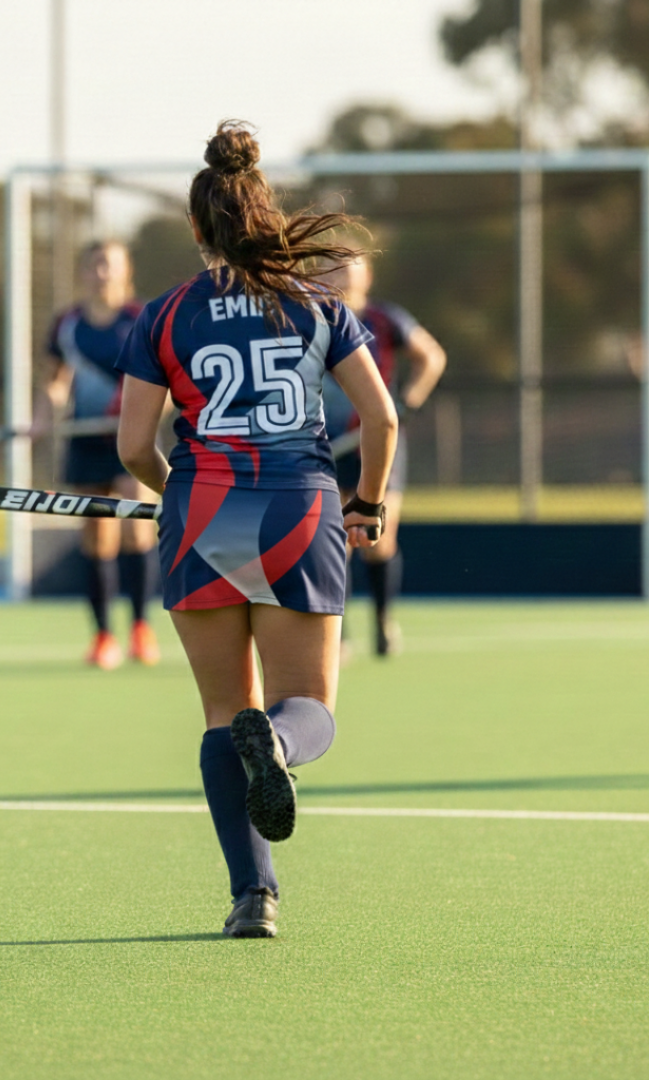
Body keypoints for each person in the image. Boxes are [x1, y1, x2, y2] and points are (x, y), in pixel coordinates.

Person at [114, 122, 398, 938]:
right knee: (305, 707)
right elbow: (379, 419)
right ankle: (277, 742)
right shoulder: (320, 306)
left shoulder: (164, 315)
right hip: (300, 511)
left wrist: (175, 494)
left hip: (204, 515)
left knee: (218, 714)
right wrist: (367, 505)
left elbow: (135, 445)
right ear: (266, 216)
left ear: (198, 228)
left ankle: (253, 898)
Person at [321, 256, 446, 656]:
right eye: (334, 268)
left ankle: (382, 621)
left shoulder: (385, 319)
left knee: (378, 537)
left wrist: (407, 404)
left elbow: (432, 357)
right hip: (330, 444)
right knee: (332, 539)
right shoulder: (313, 319)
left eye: (350, 267)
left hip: (377, 443)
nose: (342, 275)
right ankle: (335, 632)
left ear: (366, 275)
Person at [45, 240, 160, 669]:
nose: (102, 274)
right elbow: (54, 382)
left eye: (110, 266)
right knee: (96, 536)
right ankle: (102, 635)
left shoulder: (142, 320)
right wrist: (45, 415)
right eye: (95, 265)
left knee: (135, 528)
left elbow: (165, 383)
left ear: (126, 273)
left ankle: (140, 629)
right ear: (83, 272)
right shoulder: (68, 324)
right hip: (86, 441)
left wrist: (144, 415)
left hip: (133, 441)